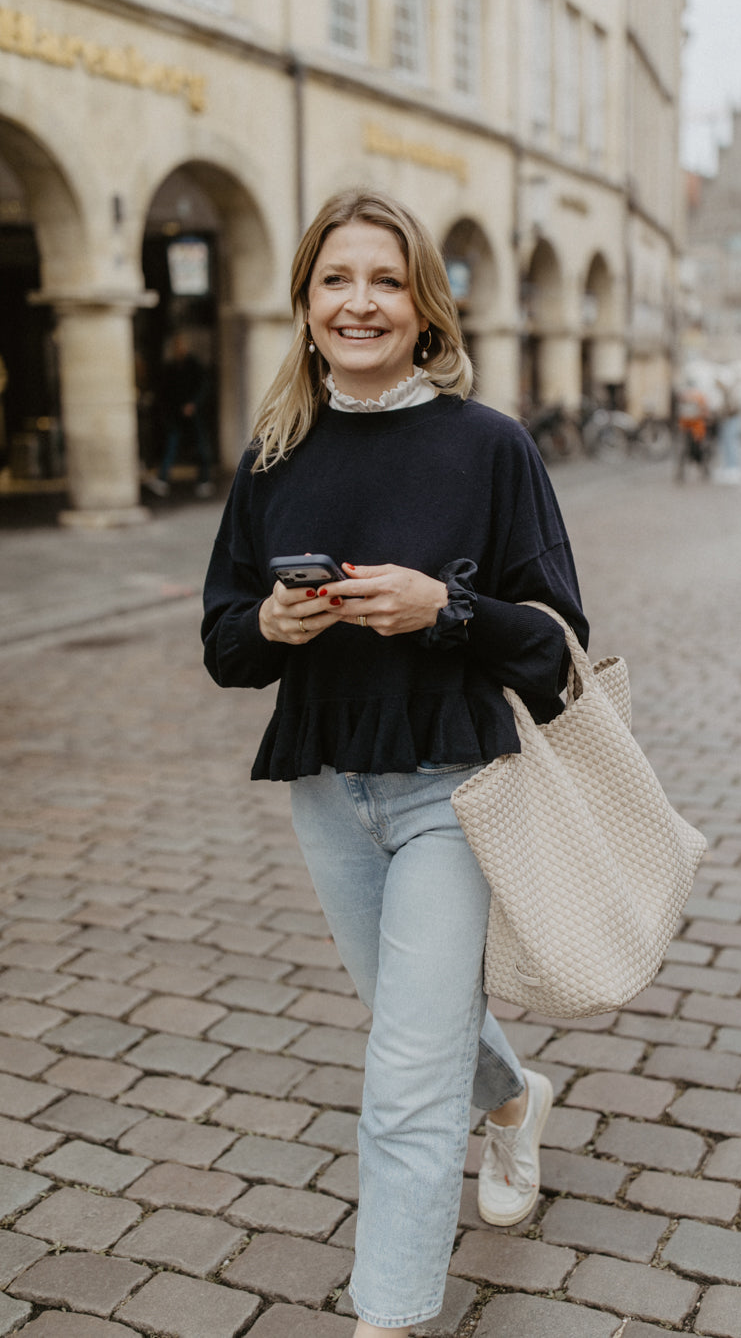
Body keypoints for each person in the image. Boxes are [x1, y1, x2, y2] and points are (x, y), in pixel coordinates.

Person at [201, 189, 588, 1336]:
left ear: (425, 305)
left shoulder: (489, 446)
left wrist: (445, 608)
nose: (357, 302)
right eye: (335, 281)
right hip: (330, 790)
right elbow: (225, 644)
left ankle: (390, 1317)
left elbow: (555, 648)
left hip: (455, 791)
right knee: (422, 1029)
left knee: (405, 1081)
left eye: (383, 280)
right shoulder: (275, 451)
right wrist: (271, 626)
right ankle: (516, 1102)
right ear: (305, 304)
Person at [147, 330, 215, 497]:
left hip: (194, 413)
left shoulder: (194, 365)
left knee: (201, 446)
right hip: (176, 414)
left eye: (180, 345)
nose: (178, 349)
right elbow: (167, 391)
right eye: (176, 346)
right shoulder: (172, 367)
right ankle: (162, 479)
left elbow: (203, 386)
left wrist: (194, 404)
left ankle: (204, 480)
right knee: (172, 444)